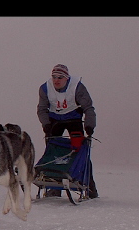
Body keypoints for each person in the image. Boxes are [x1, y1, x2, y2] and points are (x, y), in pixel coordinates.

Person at [37, 64, 98, 198]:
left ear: (67, 78)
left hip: (73, 118)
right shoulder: (45, 88)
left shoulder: (77, 87)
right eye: (54, 77)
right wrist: (45, 124)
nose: (56, 80)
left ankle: (89, 186)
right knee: (53, 151)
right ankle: (53, 186)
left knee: (80, 151)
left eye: (60, 77)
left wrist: (89, 126)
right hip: (54, 120)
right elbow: (42, 109)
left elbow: (88, 108)